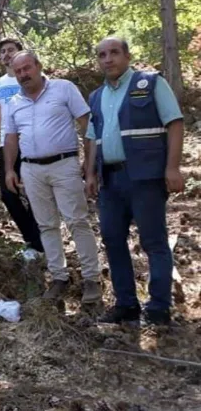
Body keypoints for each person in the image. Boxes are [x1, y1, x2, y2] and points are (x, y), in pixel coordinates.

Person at [84, 37, 185, 325]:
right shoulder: (96, 96)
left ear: (127, 56)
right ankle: (126, 304)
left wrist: (173, 167)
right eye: (102, 54)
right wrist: (90, 174)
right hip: (110, 182)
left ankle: (159, 308)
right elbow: (92, 138)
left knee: (153, 241)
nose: (108, 59)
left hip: (145, 177)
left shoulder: (151, 84)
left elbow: (174, 122)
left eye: (114, 52)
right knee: (113, 240)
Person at [3, 51, 101, 304]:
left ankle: (92, 279)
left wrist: (89, 165)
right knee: (46, 225)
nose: (24, 74)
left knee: (77, 221)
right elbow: (10, 138)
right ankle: (59, 278)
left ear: (39, 65)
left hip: (64, 164)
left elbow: (86, 124)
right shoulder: (13, 102)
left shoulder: (64, 89)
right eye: (19, 71)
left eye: (27, 68)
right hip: (31, 170)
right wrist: (10, 170)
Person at [0, 38, 44, 259]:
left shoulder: (31, 78)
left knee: (35, 192)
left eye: (11, 50)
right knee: (8, 194)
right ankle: (33, 238)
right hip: (8, 144)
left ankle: (38, 243)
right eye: (3, 51)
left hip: (31, 142)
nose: (6, 54)